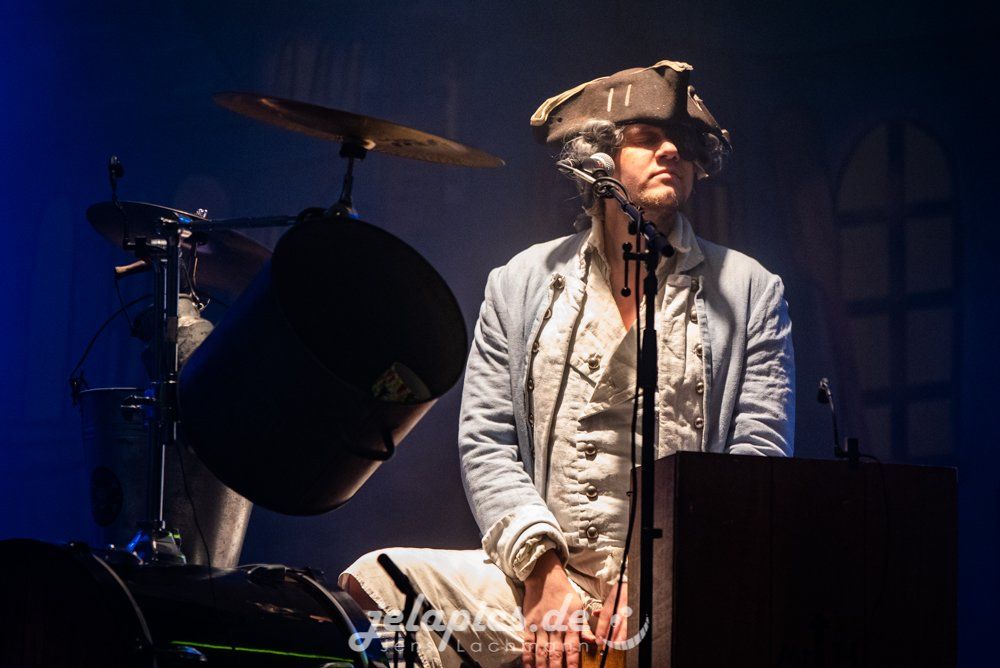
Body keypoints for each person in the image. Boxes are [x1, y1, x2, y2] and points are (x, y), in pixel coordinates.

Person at [340, 59, 795, 668]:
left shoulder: (750, 290)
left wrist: (658, 581)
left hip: (685, 580)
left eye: (685, 144)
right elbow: (487, 441)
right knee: (382, 582)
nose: (671, 152)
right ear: (597, 159)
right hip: (546, 578)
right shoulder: (520, 283)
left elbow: (758, 460)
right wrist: (542, 574)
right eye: (647, 138)